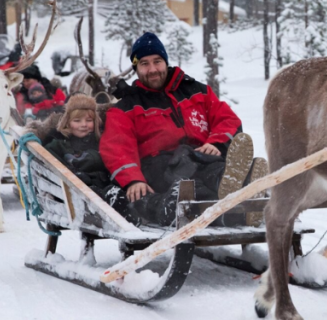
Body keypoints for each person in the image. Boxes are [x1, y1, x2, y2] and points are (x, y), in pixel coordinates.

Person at [99, 32, 257, 226]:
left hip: (201, 156)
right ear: (136, 68)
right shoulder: (126, 107)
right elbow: (116, 147)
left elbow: (227, 118)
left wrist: (215, 142)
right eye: (144, 64)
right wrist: (133, 180)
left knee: (212, 169)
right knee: (192, 185)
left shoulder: (196, 90)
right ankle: (239, 200)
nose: (152, 69)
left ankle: (236, 182)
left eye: (157, 61)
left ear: (166, 61)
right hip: (157, 168)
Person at [42, 94, 136, 223]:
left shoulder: (102, 141)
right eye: (77, 121)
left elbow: (113, 161)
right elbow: (52, 166)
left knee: (114, 191)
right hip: (77, 192)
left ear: (95, 121)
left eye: (89, 120)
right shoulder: (58, 144)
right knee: (94, 192)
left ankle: (125, 212)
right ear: (67, 122)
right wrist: (75, 175)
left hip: (104, 185)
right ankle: (116, 206)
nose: (83, 125)